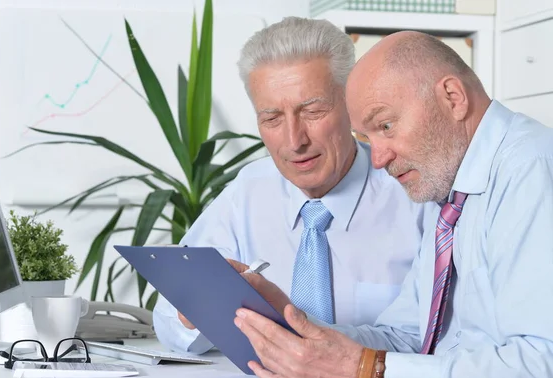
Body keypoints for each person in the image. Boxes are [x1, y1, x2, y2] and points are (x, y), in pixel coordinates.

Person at [232, 30, 553, 378]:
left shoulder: (533, 169)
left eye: (385, 125)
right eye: (368, 137)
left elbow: (544, 367)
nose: (379, 159)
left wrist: (368, 372)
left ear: (453, 97)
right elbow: (408, 337)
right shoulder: (450, 190)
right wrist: (292, 321)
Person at [153, 18, 436, 355]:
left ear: (352, 106)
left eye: (313, 111)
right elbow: (168, 323)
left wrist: (290, 322)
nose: (294, 141)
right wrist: (193, 313)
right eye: (271, 119)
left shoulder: (417, 194)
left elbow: (433, 341)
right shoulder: (248, 190)